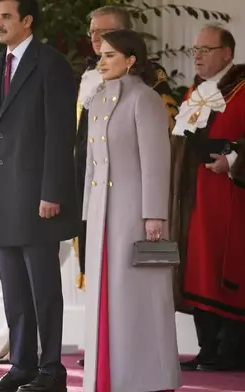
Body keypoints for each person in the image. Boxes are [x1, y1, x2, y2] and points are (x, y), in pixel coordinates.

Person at [172, 25, 245, 372]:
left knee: (229, 270)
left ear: (227, 53)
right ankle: (208, 351)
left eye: (206, 49)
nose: (199, 56)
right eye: (195, 49)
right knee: (199, 271)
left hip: (233, 200)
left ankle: (230, 353)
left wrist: (232, 161)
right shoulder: (196, 92)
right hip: (198, 198)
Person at [0, 1, 78, 391]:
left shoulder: (51, 63)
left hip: (39, 198)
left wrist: (51, 190)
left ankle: (51, 370)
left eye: (6, 16)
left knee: (44, 292)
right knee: (14, 291)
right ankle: (21, 366)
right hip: (3, 198)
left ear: (27, 21)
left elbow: (60, 133)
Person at [80, 29, 181, 392]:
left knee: (138, 298)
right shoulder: (97, 98)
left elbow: (156, 162)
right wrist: (89, 212)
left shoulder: (146, 99)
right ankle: (106, 378)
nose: (101, 61)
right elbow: (92, 164)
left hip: (135, 216)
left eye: (110, 55)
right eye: (101, 55)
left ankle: (149, 378)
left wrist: (154, 215)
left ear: (131, 60)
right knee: (106, 297)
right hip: (103, 215)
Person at [74, 4, 178, 293]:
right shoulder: (90, 75)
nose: (96, 37)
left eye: (105, 32)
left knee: (132, 283)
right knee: (99, 278)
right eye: (93, 31)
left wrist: (153, 211)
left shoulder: (148, 80)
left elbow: (156, 148)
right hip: (94, 190)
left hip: (130, 196)